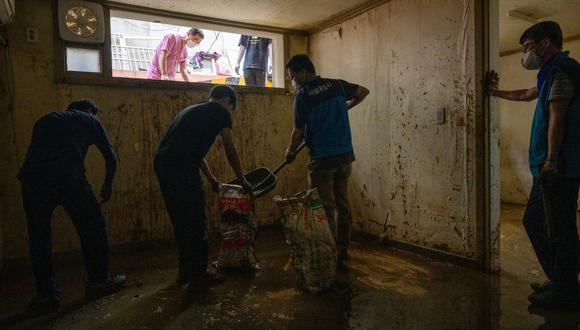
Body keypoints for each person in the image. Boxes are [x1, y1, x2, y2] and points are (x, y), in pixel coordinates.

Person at [487, 21, 580, 310]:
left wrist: (551, 160)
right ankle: (563, 282)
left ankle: (566, 289)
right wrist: (495, 92)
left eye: (528, 47)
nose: (525, 54)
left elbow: (557, 115)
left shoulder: (562, 69)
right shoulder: (551, 72)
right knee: (553, 224)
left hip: (558, 166)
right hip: (554, 165)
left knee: (551, 225)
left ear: (546, 43)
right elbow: (526, 94)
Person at [18, 99, 126, 312]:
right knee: (93, 229)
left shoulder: (47, 119)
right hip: (68, 178)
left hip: (32, 180)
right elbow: (110, 156)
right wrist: (107, 186)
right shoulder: (89, 120)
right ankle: (98, 281)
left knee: (40, 237)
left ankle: (45, 295)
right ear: (90, 111)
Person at [154, 85, 253, 289]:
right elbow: (229, 147)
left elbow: (196, 155)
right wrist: (242, 179)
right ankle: (199, 274)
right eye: (231, 107)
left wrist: (212, 179)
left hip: (164, 165)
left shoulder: (192, 110)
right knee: (196, 220)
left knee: (181, 221)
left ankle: (185, 272)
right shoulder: (220, 113)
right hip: (181, 168)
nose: (230, 113)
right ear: (227, 100)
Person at [284, 54, 369, 270]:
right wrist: (347, 106)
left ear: (303, 71)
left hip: (322, 159)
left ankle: (329, 252)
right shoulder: (337, 85)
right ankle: (342, 250)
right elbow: (363, 92)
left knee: (324, 208)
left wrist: (290, 151)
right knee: (343, 203)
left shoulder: (303, 96)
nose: (294, 82)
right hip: (345, 156)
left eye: (294, 77)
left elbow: (298, 131)